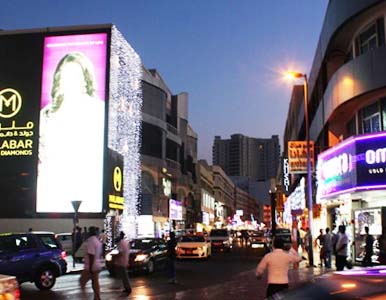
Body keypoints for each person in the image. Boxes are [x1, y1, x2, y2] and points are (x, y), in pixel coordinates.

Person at [37, 51, 105, 213]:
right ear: (58, 79)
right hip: (51, 186)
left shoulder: (98, 110)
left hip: (88, 185)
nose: (70, 81)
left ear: (85, 80)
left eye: (76, 75)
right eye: (66, 75)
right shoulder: (47, 113)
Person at [80, 226, 103, 300]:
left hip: (91, 265)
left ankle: (85, 297)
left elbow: (91, 255)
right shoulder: (97, 241)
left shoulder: (91, 241)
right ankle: (97, 297)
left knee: (82, 281)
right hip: (97, 264)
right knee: (95, 282)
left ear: (90, 232)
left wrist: (90, 268)